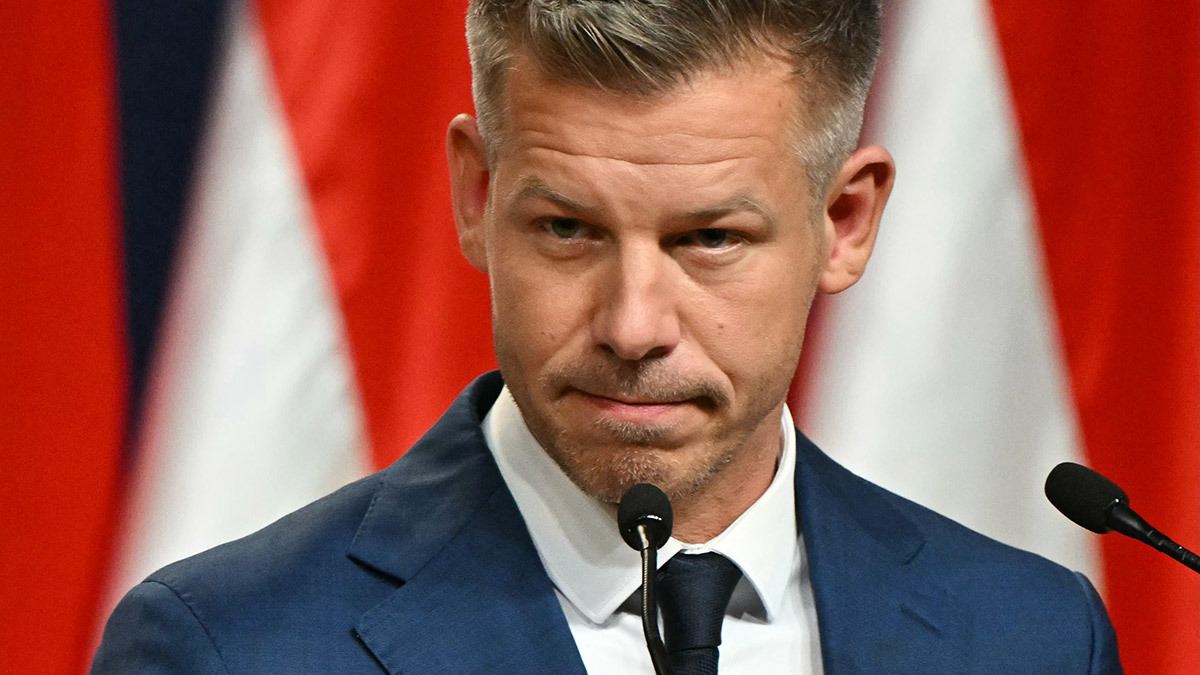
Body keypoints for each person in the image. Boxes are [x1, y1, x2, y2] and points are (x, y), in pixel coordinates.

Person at [92, 1, 1122, 673]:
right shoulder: (230, 648)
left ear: (844, 222)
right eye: (568, 229)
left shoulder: (1032, 640)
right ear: (477, 196)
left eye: (709, 239)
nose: (633, 327)